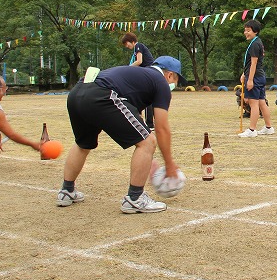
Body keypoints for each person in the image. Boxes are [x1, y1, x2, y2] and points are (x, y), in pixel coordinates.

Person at [58, 56, 186, 213]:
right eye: (177, 79)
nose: (175, 84)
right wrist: (169, 164)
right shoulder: (161, 83)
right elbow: (161, 128)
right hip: (102, 95)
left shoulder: (140, 76)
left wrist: (148, 159)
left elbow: (136, 119)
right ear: (170, 75)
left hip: (77, 93)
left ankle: (67, 191)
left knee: (83, 144)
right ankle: (135, 198)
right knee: (148, 141)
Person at [238, 20, 274, 137]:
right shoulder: (257, 42)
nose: (245, 32)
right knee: (262, 102)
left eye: (248, 30)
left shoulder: (254, 44)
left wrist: (250, 79)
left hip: (255, 77)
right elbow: (250, 64)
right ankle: (269, 127)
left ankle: (252, 130)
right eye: (245, 30)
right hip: (259, 76)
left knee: (254, 104)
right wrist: (244, 73)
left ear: (255, 32)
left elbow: (254, 63)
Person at [121, 32, 156, 129]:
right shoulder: (137, 49)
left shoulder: (138, 46)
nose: (127, 46)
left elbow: (139, 61)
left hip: (148, 73)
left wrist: (127, 68)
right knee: (144, 97)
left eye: (126, 44)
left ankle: (149, 123)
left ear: (131, 41)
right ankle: (144, 121)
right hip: (147, 73)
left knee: (146, 98)